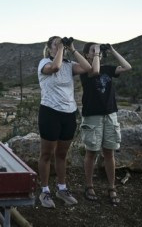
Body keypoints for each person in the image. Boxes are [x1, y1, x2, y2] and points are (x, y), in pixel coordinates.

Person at [37, 36, 92, 208]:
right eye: (56, 44)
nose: (60, 46)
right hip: (50, 113)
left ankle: (62, 188)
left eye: (61, 44)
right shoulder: (44, 62)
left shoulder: (69, 64)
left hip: (69, 114)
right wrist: (61, 48)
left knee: (62, 154)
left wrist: (73, 49)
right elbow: (55, 67)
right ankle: (45, 191)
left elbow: (88, 67)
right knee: (46, 155)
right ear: (50, 47)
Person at [79, 43, 132, 205]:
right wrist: (96, 53)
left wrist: (112, 50)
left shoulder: (108, 69)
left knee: (109, 153)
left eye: (99, 51)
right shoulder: (84, 69)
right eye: (93, 51)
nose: (97, 53)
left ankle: (111, 187)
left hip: (110, 115)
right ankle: (89, 186)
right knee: (91, 153)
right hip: (92, 116)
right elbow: (94, 70)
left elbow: (127, 67)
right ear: (87, 54)